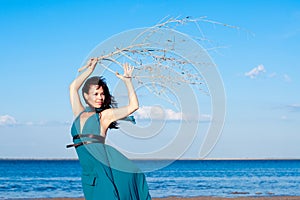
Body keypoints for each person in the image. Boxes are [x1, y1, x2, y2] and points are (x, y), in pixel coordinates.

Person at [67, 57, 152, 200]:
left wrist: (127, 82)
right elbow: (73, 87)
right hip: (89, 173)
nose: (100, 97)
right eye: (96, 94)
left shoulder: (104, 116)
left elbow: (133, 106)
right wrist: (90, 69)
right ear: (86, 96)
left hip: (104, 170)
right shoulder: (79, 113)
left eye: (102, 94)